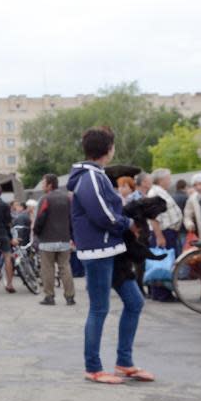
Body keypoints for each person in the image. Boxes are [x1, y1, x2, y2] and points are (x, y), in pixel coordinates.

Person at [68, 126, 154, 385]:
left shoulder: (93, 176)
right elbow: (102, 214)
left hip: (110, 249)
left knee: (135, 302)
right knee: (99, 309)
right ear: (108, 149)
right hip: (99, 251)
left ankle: (124, 362)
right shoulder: (91, 177)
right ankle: (93, 367)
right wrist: (126, 224)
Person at [34, 174, 76, 306]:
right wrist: (71, 236)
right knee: (65, 267)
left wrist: (36, 232)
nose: (42, 185)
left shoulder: (45, 199)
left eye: (43, 183)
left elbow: (40, 218)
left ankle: (49, 297)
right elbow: (72, 218)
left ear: (50, 185)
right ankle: (70, 297)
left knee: (48, 269)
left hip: (47, 240)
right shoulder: (67, 198)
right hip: (64, 239)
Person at [147, 169, 183, 302]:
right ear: (161, 180)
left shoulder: (159, 191)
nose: (170, 181)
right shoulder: (155, 192)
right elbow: (153, 216)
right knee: (162, 263)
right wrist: (159, 236)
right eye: (168, 178)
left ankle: (162, 292)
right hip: (163, 232)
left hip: (167, 232)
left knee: (165, 262)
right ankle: (162, 293)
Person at [184, 173, 201, 241]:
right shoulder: (192, 199)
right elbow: (187, 216)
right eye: (195, 185)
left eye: (200, 184)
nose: (198, 187)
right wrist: (189, 224)